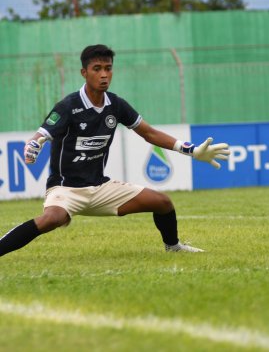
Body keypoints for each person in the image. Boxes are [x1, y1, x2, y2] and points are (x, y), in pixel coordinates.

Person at [0, 44, 230, 258]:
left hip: (101, 187)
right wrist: (34, 145)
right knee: (53, 218)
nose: (104, 74)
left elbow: (148, 133)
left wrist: (191, 150)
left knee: (162, 202)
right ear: (84, 72)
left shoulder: (116, 104)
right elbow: (41, 134)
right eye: (97, 69)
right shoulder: (69, 105)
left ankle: (173, 247)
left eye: (108, 68)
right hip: (66, 189)